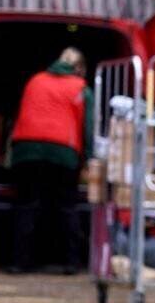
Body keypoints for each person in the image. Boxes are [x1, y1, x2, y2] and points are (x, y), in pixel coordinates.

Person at [8, 47, 93, 274]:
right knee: (66, 207)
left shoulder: (35, 81)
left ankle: (19, 262)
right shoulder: (81, 88)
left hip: (26, 150)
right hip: (63, 152)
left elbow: (21, 115)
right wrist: (88, 159)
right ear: (78, 69)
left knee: (27, 205)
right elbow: (88, 129)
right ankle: (71, 263)